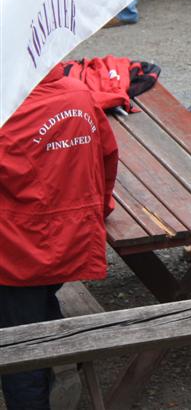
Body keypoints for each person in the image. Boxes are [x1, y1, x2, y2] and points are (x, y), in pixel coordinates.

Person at [0, 64, 119, 409]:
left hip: (19, 251)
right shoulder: (79, 94)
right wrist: (95, 213)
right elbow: (108, 158)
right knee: (37, 306)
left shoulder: (9, 108)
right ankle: (61, 364)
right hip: (72, 238)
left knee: (20, 347)